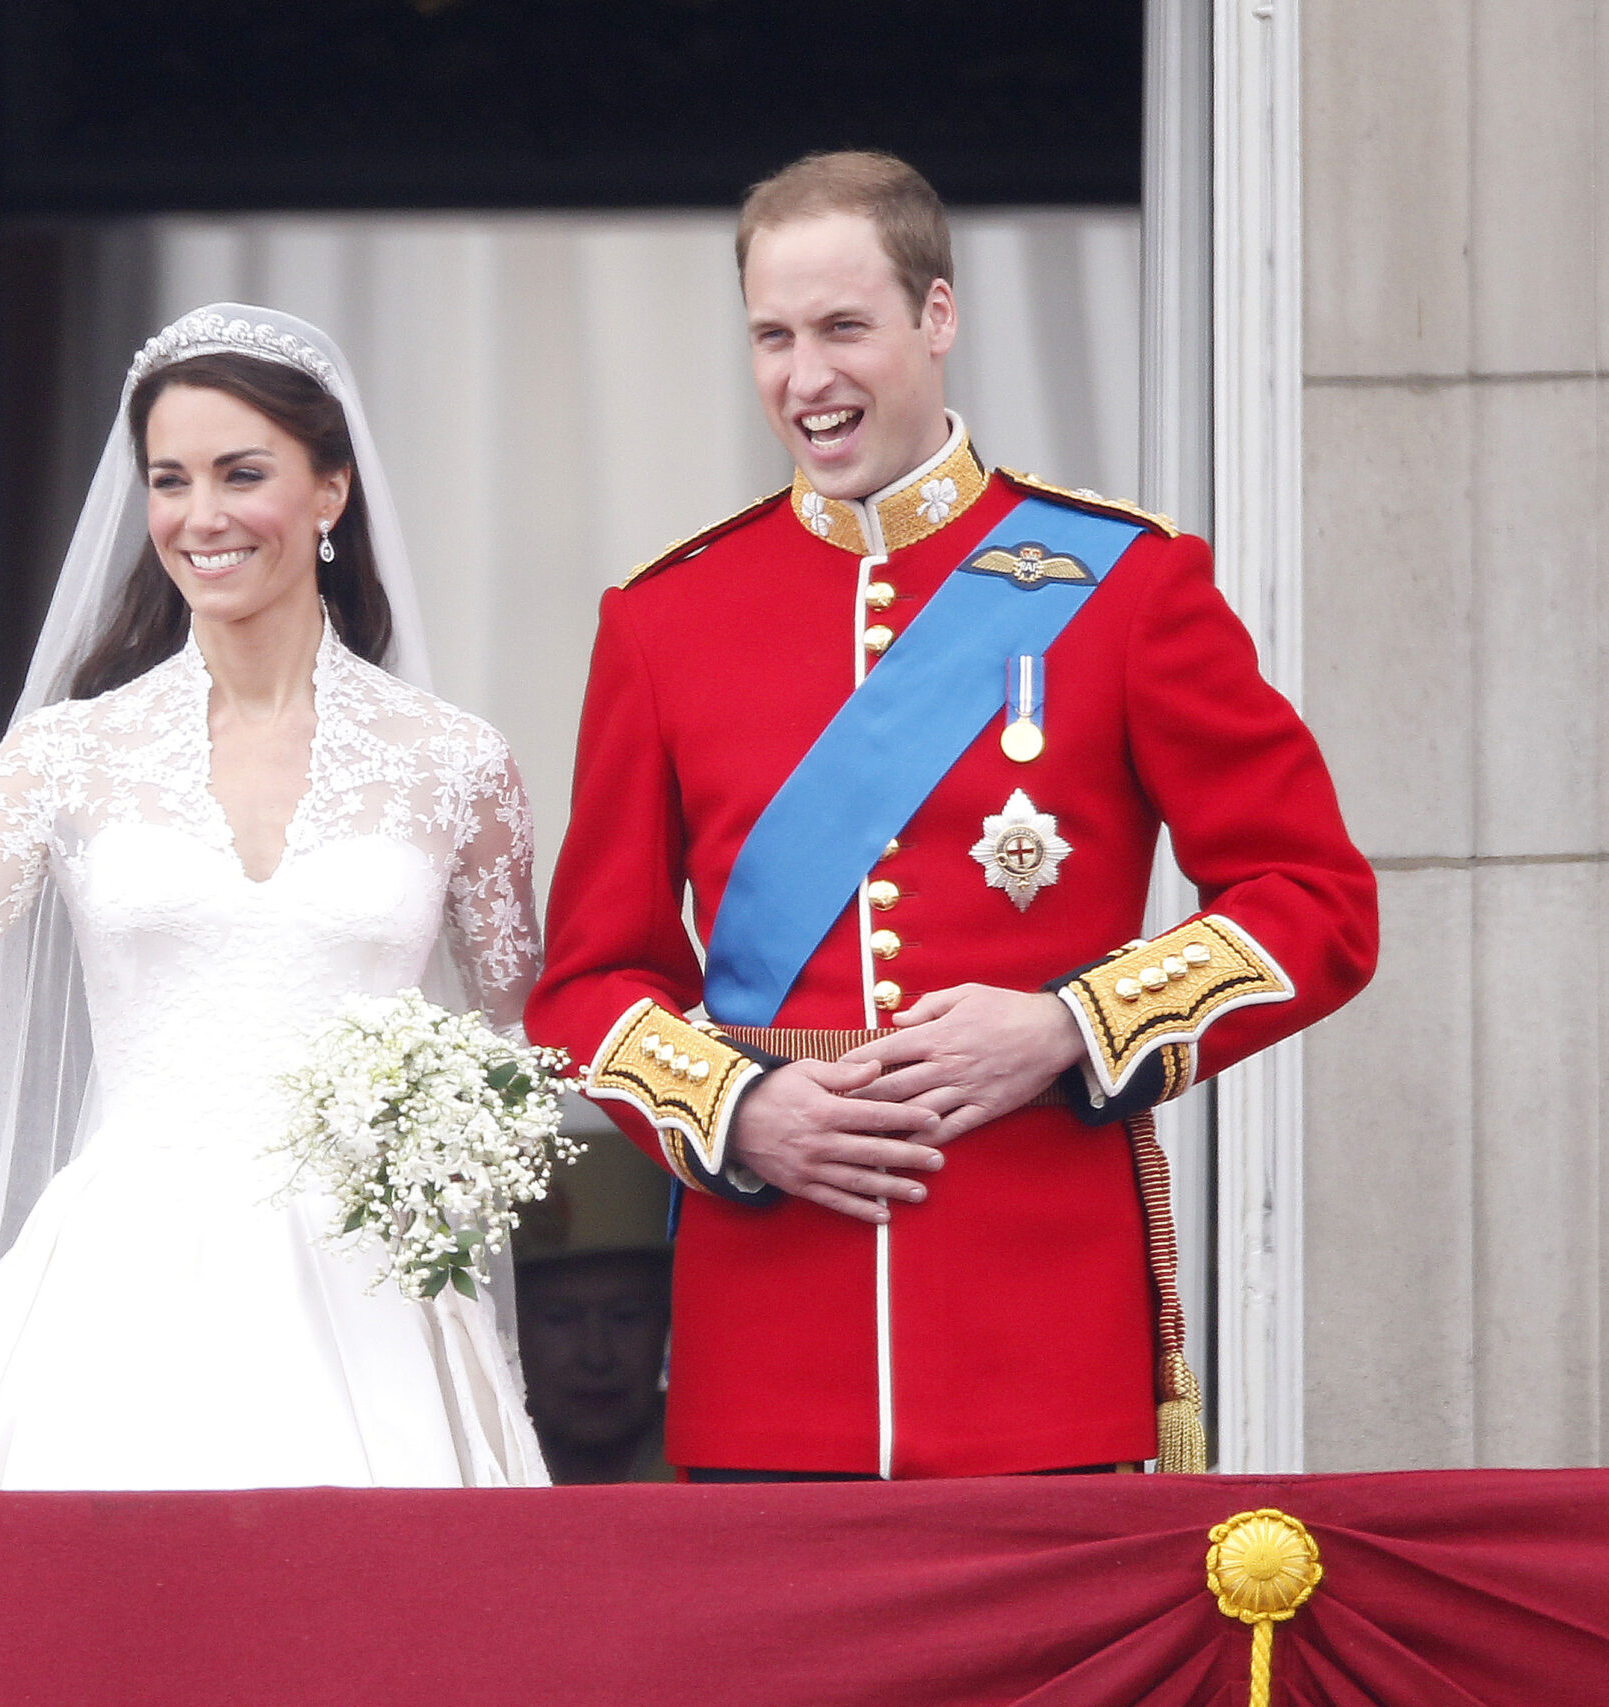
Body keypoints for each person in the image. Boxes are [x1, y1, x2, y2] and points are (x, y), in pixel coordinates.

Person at [525, 153, 1378, 1481]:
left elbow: (1314, 900)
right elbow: (589, 979)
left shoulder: (1128, 586)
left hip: (1040, 1349)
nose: (806, 377)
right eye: (773, 335)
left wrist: (1064, 1023)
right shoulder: (664, 618)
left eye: (844, 327)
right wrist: (738, 1110)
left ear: (938, 315)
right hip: (767, 1352)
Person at [0, 304, 551, 1489]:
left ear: (330, 490)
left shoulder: (457, 762)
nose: (201, 516)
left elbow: (523, 1023)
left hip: (369, 1292)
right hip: (116, 1295)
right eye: (168, 480)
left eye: (243, 473)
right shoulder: (68, 753)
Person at [512, 1138, 677, 1483]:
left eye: (626, 1317)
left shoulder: (711, 1474)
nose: (597, 1356)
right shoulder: (473, 1462)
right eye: (559, 1318)